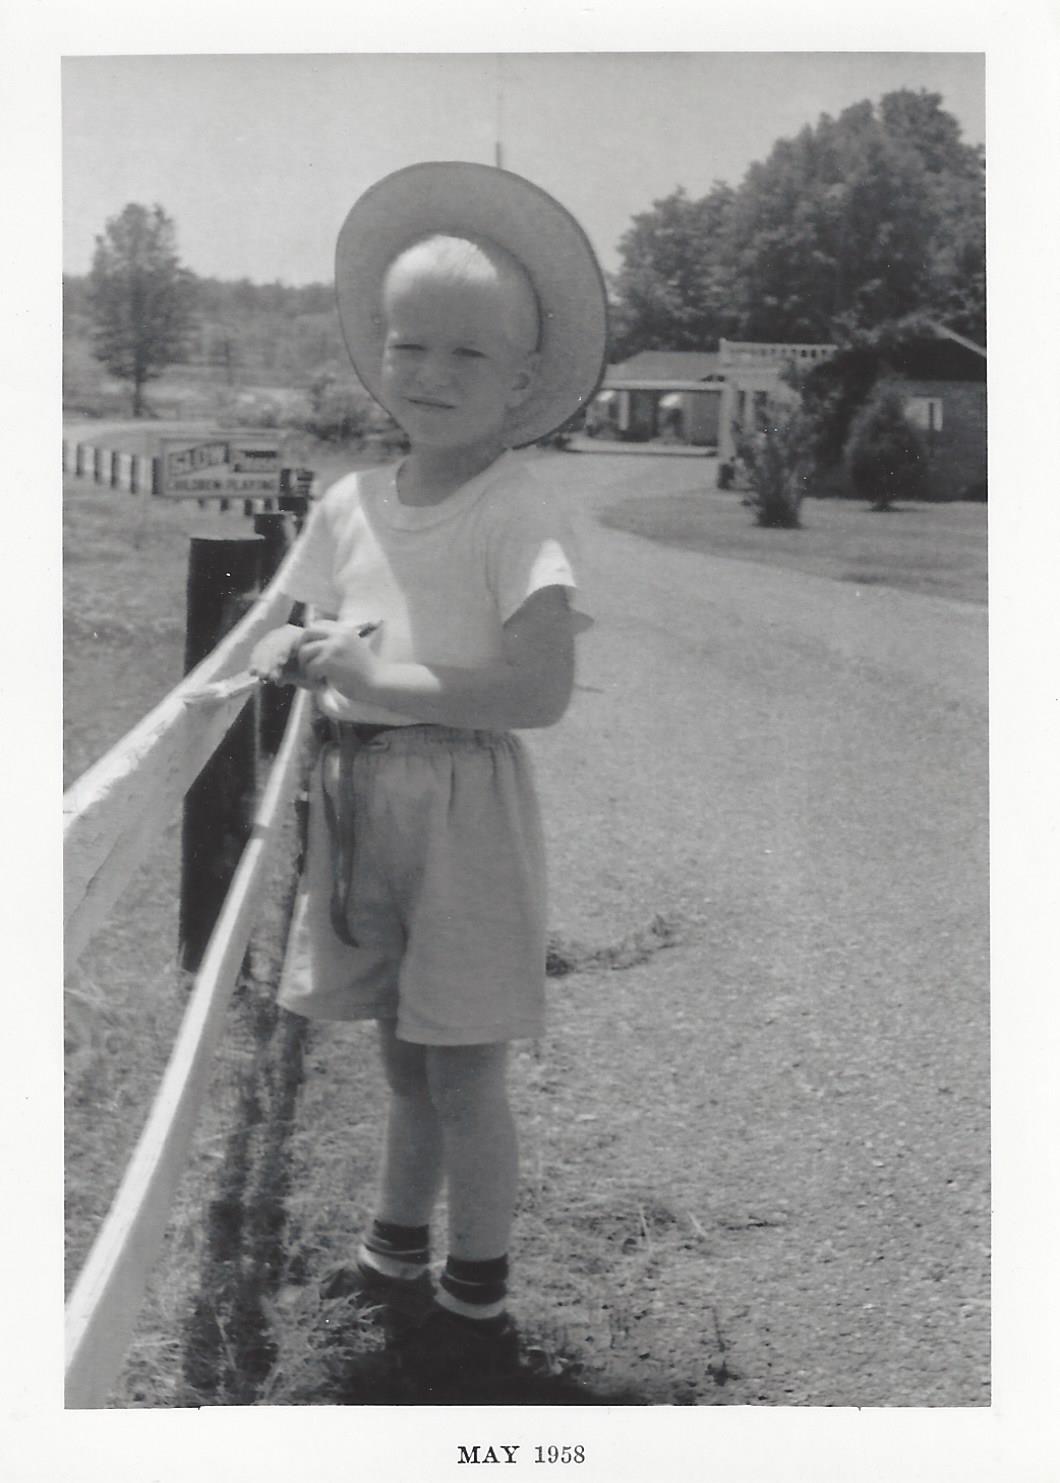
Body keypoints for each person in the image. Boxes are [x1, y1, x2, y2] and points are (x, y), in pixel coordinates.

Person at [250, 162, 607, 1389]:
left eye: (468, 355)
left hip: (461, 800)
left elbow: (538, 690)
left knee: (463, 1059)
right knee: (400, 1055)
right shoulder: (350, 501)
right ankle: (392, 1254)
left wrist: (375, 679)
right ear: (378, 355)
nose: (431, 375)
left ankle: (477, 1297)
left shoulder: (519, 512)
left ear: (521, 383)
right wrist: (297, 645)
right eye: (410, 346)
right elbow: (280, 624)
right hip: (362, 803)